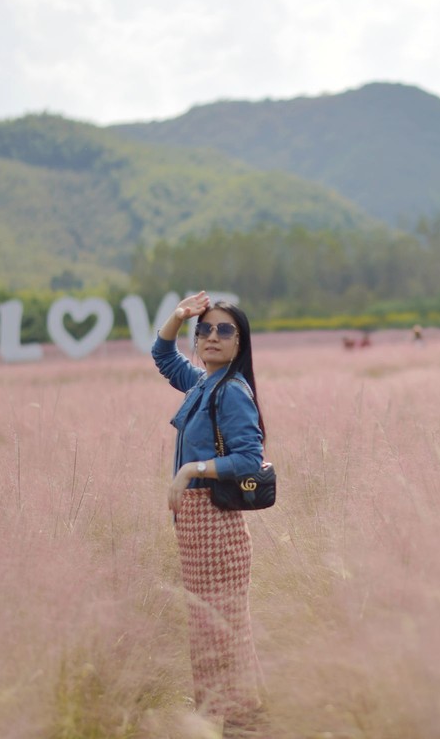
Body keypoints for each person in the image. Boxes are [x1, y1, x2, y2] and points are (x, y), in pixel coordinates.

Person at [152, 291, 266, 732]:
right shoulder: (204, 383)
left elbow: (250, 460)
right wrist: (179, 316)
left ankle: (237, 719)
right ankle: (231, 717)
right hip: (198, 527)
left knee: (221, 629)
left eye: (224, 330)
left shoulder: (232, 391)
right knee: (210, 627)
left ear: (240, 342)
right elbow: (163, 356)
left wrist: (190, 470)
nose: (212, 337)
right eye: (205, 330)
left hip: (217, 525)